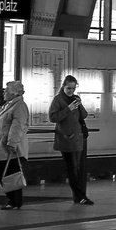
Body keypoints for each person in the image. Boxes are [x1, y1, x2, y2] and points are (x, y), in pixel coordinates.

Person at [47, 73, 93, 204]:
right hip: (65, 138)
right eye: (69, 89)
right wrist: (68, 109)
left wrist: (79, 104)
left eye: (73, 89)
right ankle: (80, 196)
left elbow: (83, 115)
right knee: (72, 168)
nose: (71, 91)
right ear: (63, 87)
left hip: (77, 137)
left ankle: (79, 196)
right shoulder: (58, 100)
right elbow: (53, 117)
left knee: (78, 167)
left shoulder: (75, 98)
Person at [0, 79, 31, 210]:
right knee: (5, 172)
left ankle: (14, 201)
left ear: (14, 93)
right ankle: (12, 200)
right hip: (4, 145)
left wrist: (12, 143)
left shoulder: (19, 106)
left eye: (7, 90)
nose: (4, 92)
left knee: (11, 174)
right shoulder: (9, 105)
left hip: (11, 147)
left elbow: (17, 126)